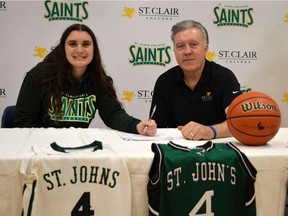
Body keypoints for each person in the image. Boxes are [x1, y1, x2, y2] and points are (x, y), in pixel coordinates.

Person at [15, 23, 156, 136]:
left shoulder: (98, 80)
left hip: (77, 149)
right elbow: (24, 121)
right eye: (72, 44)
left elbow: (113, 114)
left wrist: (137, 126)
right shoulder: (39, 76)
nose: (79, 50)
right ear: (62, 48)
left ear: (93, 50)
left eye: (86, 44)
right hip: (41, 149)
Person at [149, 20, 241, 140]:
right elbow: (157, 129)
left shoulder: (224, 77)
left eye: (193, 44)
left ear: (205, 49)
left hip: (218, 150)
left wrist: (209, 131)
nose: (187, 51)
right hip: (176, 151)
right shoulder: (164, 81)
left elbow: (239, 122)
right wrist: (149, 128)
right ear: (175, 52)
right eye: (180, 46)